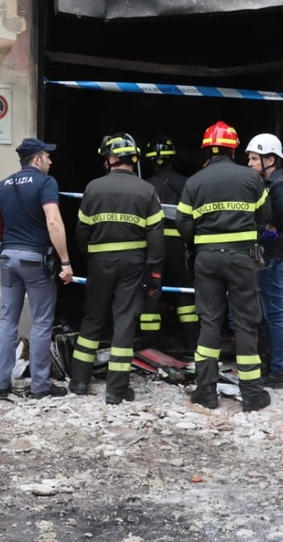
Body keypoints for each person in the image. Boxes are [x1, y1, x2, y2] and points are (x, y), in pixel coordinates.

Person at [176, 121, 272, 412]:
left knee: (209, 323)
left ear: (207, 149)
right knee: (245, 323)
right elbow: (265, 215)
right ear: (233, 149)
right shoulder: (251, 178)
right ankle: (253, 396)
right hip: (242, 259)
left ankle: (206, 393)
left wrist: (202, 242)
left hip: (206, 258)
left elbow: (183, 225)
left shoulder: (194, 181)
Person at [68, 133, 164, 404]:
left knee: (93, 318)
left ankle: (78, 381)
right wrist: (153, 269)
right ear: (134, 159)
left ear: (109, 158)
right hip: (133, 263)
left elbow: (81, 231)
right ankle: (116, 390)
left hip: (99, 262)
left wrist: (91, 256)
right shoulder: (147, 190)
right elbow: (156, 235)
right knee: (124, 321)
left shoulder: (93, 187)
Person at [0, 137, 74, 400]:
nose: (51, 160)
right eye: (47, 156)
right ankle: (40, 386)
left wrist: (0, 252)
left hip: (8, 258)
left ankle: (0, 384)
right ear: (36, 159)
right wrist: (65, 261)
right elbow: (54, 221)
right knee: (41, 322)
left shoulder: (2, 185)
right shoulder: (46, 183)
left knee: (7, 320)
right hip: (35, 259)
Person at [137, 136, 200, 355]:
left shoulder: (145, 186)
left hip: (153, 246)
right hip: (179, 245)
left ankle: (150, 341)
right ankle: (192, 341)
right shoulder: (187, 184)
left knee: (151, 290)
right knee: (185, 290)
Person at [245, 133, 283, 389]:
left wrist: (272, 225)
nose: (251, 164)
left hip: (276, 258)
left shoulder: (278, 184)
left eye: (255, 158)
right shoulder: (271, 183)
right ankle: (274, 365)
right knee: (269, 315)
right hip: (274, 257)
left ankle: (279, 372)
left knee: (277, 316)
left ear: (271, 159)